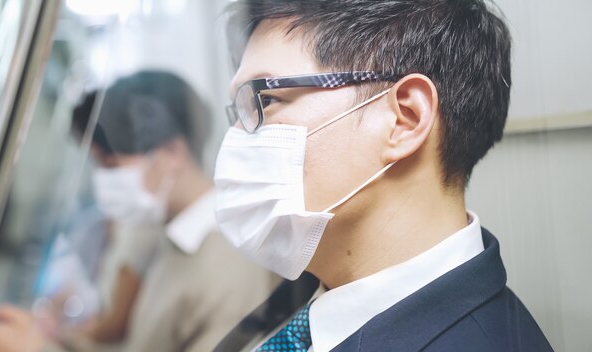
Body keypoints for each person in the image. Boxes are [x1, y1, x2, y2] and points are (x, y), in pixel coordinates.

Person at [212, 0, 554, 351]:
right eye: (238, 111)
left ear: (405, 118)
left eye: (265, 100)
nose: (236, 136)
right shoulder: (306, 301)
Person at [0, 70, 276, 352]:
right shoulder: (172, 240)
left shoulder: (228, 266)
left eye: (111, 165)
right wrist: (54, 339)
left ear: (171, 153)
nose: (105, 181)